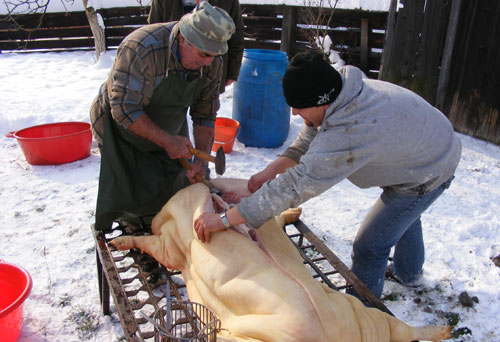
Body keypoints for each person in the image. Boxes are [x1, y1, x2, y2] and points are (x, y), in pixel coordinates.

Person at [194, 50, 462, 299]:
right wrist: (270, 171)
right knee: (403, 215)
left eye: (299, 106)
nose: (295, 113)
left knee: (371, 245)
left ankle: (362, 322)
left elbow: (296, 186)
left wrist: (224, 220)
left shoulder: (351, 130)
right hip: (418, 149)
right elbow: (310, 135)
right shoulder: (338, 92)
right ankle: (409, 273)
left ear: (320, 101)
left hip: (432, 167)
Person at [90, 2, 236, 231]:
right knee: (130, 187)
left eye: (214, 55)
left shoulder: (212, 62)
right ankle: (134, 231)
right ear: (183, 39)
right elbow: (124, 108)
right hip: (121, 126)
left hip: (168, 120)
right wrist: (167, 141)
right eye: (204, 54)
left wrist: (201, 159)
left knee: (173, 184)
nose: (209, 62)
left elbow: (205, 113)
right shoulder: (142, 48)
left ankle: (164, 226)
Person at [148, 0, 244, 93]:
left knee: (206, 103)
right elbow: (154, 29)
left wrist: (232, 71)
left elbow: (236, 35)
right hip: (170, 66)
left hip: (210, 66)